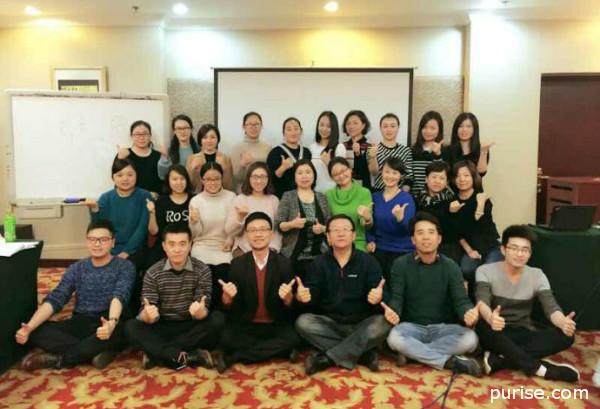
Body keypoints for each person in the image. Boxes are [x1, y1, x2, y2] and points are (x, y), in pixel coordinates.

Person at [16, 220, 135, 371]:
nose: (97, 244)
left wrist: (111, 323)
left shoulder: (125, 266)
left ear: (113, 242)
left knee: (124, 331)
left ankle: (60, 360)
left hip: (110, 319)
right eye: (92, 239)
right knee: (37, 330)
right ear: (86, 241)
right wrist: (29, 327)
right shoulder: (77, 268)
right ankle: (94, 351)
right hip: (81, 321)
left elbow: (120, 296)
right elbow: (57, 298)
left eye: (103, 239)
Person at [475, 224, 579, 382]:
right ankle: (540, 369)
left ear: (530, 253)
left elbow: (551, 307)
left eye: (525, 250)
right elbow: (482, 301)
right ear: (503, 250)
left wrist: (562, 322)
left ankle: (501, 360)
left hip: (522, 331)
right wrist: (490, 318)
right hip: (496, 330)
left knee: (566, 336)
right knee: (482, 326)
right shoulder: (485, 271)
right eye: (514, 248)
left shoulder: (537, 275)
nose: (519, 254)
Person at [385, 212, 482, 376]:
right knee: (394, 338)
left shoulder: (451, 266)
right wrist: (392, 311)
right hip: (412, 327)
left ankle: (413, 354)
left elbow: (461, 301)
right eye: (420, 233)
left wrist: (468, 313)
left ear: (439, 239)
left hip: (443, 328)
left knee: (471, 339)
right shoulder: (401, 264)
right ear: (413, 240)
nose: (426, 237)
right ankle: (449, 362)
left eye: (431, 232)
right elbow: (397, 299)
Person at [295, 214, 391, 374]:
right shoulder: (319, 263)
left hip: (361, 323)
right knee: (303, 322)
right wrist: (301, 297)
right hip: (330, 324)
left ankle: (327, 358)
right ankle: (362, 353)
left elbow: (384, 297)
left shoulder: (368, 261)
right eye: (335, 230)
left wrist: (379, 298)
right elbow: (311, 300)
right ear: (328, 237)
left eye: (345, 229)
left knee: (383, 322)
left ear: (353, 235)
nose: (340, 233)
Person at [124, 223, 225, 370]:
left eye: (182, 244)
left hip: (190, 326)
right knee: (131, 327)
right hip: (162, 326)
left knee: (218, 319)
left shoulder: (202, 269)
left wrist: (200, 312)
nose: (177, 250)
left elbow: (204, 307)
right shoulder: (153, 272)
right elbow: (146, 310)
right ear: (164, 246)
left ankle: (158, 354)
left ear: (190, 245)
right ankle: (187, 356)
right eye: (172, 244)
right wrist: (147, 315)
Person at [215, 212, 301, 372]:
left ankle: (237, 357)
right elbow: (233, 309)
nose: (258, 234)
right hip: (247, 324)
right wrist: (227, 299)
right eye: (253, 230)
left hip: (274, 325)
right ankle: (278, 352)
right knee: (226, 337)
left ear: (271, 233)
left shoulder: (284, 264)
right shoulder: (237, 264)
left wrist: (288, 299)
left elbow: (291, 310)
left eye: (263, 229)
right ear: (246, 235)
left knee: (293, 338)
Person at [85, 158, 151, 312]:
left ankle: (129, 310)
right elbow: (99, 229)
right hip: (110, 248)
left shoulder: (144, 196)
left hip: (135, 249)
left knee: (128, 269)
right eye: (120, 175)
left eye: (130, 174)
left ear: (136, 175)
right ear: (113, 178)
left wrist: (126, 252)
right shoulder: (106, 198)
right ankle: (101, 307)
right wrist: (94, 210)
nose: (125, 179)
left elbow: (142, 228)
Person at [189, 162, 236, 308]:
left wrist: (230, 239)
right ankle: (203, 309)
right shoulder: (196, 200)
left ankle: (221, 311)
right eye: (208, 179)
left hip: (224, 246)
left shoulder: (231, 197)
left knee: (224, 272)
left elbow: (235, 226)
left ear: (222, 178)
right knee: (204, 273)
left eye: (216, 178)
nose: (213, 182)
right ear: (202, 180)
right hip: (202, 245)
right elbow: (195, 235)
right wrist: (194, 222)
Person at [275, 159, 330, 280]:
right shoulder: (288, 196)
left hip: (320, 252)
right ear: (294, 177)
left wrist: (322, 229)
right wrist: (292, 224)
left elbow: (330, 227)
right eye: (300, 173)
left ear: (314, 175)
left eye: (308, 172)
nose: (304, 176)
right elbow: (278, 225)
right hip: (295, 254)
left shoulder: (322, 197)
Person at [451, 161, 503, 287]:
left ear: (473, 177)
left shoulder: (482, 198)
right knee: (467, 269)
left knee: (488, 272)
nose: (462, 179)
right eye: (458, 176)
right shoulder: (453, 202)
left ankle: (484, 295)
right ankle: (476, 293)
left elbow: (481, 225)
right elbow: (456, 232)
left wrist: (480, 204)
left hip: (490, 246)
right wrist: (469, 251)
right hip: (471, 247)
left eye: (466, 175)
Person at [366, 157, 416, 280]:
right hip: (379, 248)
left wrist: (400, 219)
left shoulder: (406, 198)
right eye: (387, 171)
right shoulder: (374, 197)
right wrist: (370, 239)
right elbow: (369, 224)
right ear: (381, 172)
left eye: (395, 173)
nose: (390, 176)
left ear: (401, 176)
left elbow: (408, 230)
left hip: (401, 250)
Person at [225, 161, 282, 256]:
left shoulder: (274, 200)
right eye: (255, 177)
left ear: (268, 179)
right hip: (243, 249)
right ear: (249, 179)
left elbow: (277, 231)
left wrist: (273, 248)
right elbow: (230, 231)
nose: (259, 181)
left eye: (262, 177)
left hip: (268, 249)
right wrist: (240, 218)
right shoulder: (240, 199)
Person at [415, 161, 462, 263]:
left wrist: (451, 213)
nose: (437, 181)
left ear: (447, 182)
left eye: (441, 178)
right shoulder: (418, 199)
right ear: (426, 179)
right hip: (423, 243)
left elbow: (456, 231)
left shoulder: (452, 200)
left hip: (447, 246)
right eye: (434, 177)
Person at [146, 164, 192, 266]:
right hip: (166, 245)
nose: (179, 182)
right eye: (174, 179)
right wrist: (152, 213)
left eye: (182, 178)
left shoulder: (194, 200)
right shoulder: (161, 202)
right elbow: (154, 232)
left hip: (187, 244)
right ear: (168, 181)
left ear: (187, 180)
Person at [325, 157, 373, 251]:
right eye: (336, 174)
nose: (341, 176)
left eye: (343, 171)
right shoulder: (328, 195)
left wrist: (367, 218)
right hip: (336, 243)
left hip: (357, 242)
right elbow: (327, 223)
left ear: (350, 169)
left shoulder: (364, 192)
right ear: (332, 178)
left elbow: (366, 225)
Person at [267, 117, 312, 198]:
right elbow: (269, 179)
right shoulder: (275, 152)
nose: (293, 132)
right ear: (283, 133)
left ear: (301, 131)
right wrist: (282, 168)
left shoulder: (307, 152)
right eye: (289, 129)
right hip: (283, 197)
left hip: (304, 196)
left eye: (296, 129)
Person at [368, 113, 413, 192]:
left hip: (399, 193)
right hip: (379, 192)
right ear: (380, 128)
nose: (389, 129)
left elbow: (409, 176)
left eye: (392, 126)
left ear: (398, 128)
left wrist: (402, 195)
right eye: (385, 126)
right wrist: (373, 157)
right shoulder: (373, 148)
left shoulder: (405, 150)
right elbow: (373, 173)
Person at [117, 120, 162, 197]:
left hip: (154, 199)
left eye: (145, 134)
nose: (141, 137)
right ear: (131, 136)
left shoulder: (158, 156)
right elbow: (117, 179)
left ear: (150, 136)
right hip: (130, 199)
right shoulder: (124, 154)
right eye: (137, 134)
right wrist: (120, 159)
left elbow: (163, 181)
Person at [230, 112, 272, 190]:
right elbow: (237, 178)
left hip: (264, 191)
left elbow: (270, 174)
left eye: (256, 124)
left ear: (261, 126)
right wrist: (242, 165)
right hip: (245, 191)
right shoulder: (237, 148)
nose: (253, 127)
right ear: (244, 127)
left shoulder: (268, 148)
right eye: (250, 124)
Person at [186, 124, 233, 192]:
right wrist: (192, 170)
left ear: (218, 139)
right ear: (200, 140)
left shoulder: (226, 158)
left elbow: (229, 186)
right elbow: (189, 187)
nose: (209, 141)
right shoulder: (192, 158)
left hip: (220, 195)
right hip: (199, 195)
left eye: (212, 137)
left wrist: (225, 170)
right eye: (205, 137)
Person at [444, 112, 493, 178]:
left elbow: (481, 173)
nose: (464, 129)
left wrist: (483, 151)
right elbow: (445, 174)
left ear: (474, 129)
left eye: (468, 126)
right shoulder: (447, 150)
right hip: (453, 185)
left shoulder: (482, 149)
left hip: (474, 185)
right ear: (456, 129)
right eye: (460, 126)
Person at [309, 111, 347, 193]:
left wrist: (328, 163)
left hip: (333, 193)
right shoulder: (312, 147)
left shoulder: (339, 147)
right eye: (321, 125)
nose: (324, 129)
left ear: (334, 128)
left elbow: (342, 176)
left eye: (328, 126)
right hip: (314, 193)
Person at [411, 111, 445, 196]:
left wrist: (438, 154)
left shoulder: (445, 151)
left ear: (439, 130)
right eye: (425, 127)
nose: (428, 131)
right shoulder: (412, 150)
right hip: (415, 198)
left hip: (435, 199)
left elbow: (442, 175)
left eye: (433, 128)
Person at [157, 114, 200, 180]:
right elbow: (162, 176)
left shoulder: (199, 150)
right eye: (179, 128)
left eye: (185, 128)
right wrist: (165, 157)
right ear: (174, 131)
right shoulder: (169, 151)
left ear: (191, 129)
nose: (182, 131)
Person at [342, 110, 373, 191]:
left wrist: (358, 154)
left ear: (363, 125)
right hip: (345, 189)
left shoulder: (370, 145)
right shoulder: (342, 146)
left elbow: (370, 172)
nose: (351, 126)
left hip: (363, 190)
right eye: (348, 123)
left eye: (355, 123)